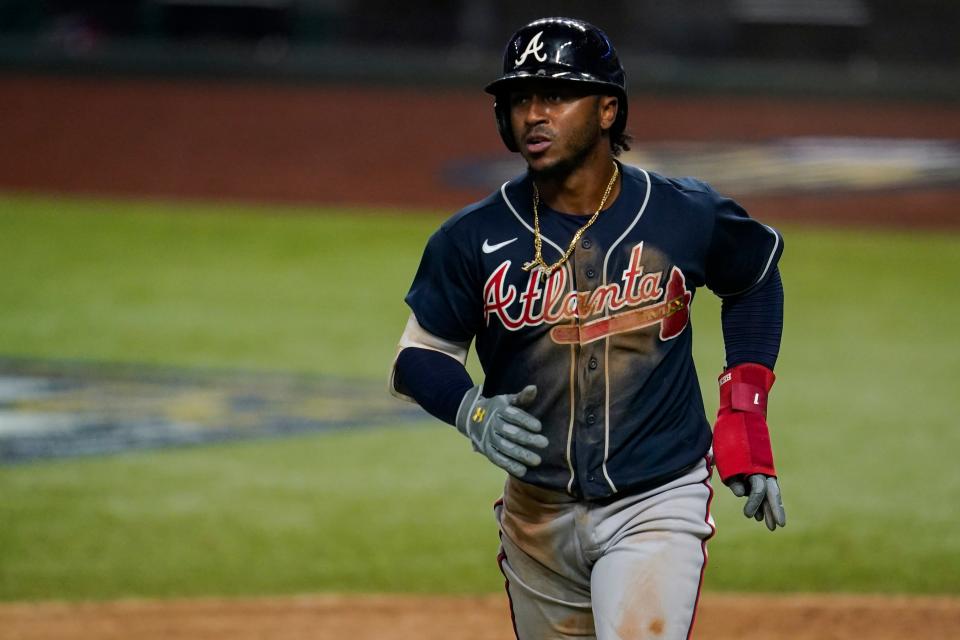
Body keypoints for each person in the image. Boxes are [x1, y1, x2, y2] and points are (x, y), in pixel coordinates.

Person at [390, 16, 786, 640]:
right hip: (535, 515)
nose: (533, 115)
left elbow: (754, 279)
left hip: (655, 501)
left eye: (556, 95)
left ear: (607, 111)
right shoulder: (472, 237)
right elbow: (417, 356)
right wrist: (470, 410)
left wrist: (743, 412)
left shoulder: (683, 214)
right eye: (521, 98)